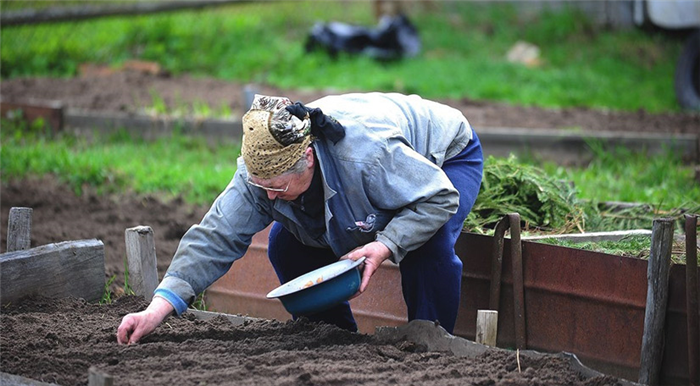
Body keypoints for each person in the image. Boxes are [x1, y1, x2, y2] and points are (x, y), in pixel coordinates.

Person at [117, 92, 483, 344]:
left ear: (308, 158)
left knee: (426, 243)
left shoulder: (366, 157)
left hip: (444, 153)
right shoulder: (260, 178)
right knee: (285, 244)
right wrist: (157, 308)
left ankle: (428, 347)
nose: (270, 197)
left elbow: (438, 197)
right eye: (263, 188)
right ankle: (334, 337)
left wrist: (386, 244)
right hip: (375, 162)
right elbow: (215, 236)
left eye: (278, 186)